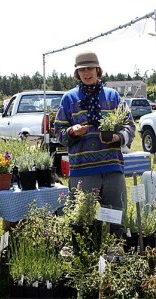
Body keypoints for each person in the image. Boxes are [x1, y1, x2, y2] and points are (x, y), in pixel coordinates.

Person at [54, 50, 136, 237]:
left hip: (112, 169)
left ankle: (116, 256)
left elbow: (130, 126)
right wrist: (72, 132)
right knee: (83, 223)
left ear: (98, 69)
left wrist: (117, 137)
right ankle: (88, 260)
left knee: (116, 219)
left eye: (90, 68)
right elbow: (58, 132)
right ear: (77, 73)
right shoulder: (69, 98)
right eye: (82, 70)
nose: (86, 73)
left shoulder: (113, 97)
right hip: (82, 170)